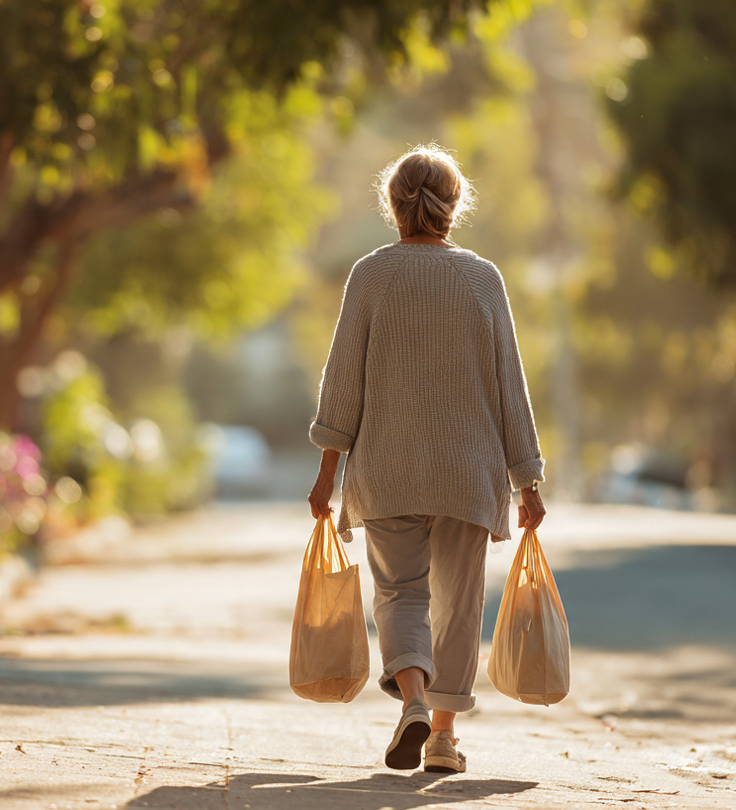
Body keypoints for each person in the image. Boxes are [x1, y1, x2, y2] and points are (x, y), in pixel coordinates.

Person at [307, 144, 547, 774]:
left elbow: (342, 384)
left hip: (386, 470)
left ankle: (411, 698)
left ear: (393, 206)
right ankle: (442, 738)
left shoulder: (371, 275)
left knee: (401, 595)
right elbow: (509, 388)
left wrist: (328, 474)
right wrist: (529, 481)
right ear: (454, 205)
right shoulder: (481, 278)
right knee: (459, 604)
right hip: (469, 474)